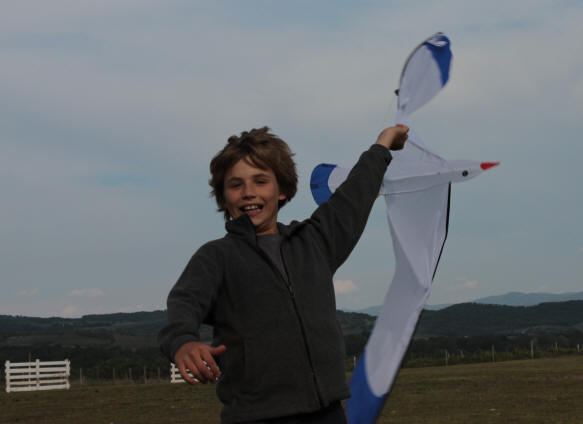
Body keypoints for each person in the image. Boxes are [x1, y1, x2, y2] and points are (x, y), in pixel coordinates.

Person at [158, 125, 408, 423]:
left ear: (283, 189)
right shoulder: (216, 256)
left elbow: (355, 193)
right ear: (224, 198)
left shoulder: (315, 241)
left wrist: (382, 145)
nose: (248, 192)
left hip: (328, 413)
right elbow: (184, 303)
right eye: (236, 185)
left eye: (261, 181)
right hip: (255, 417)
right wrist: (183, 342)